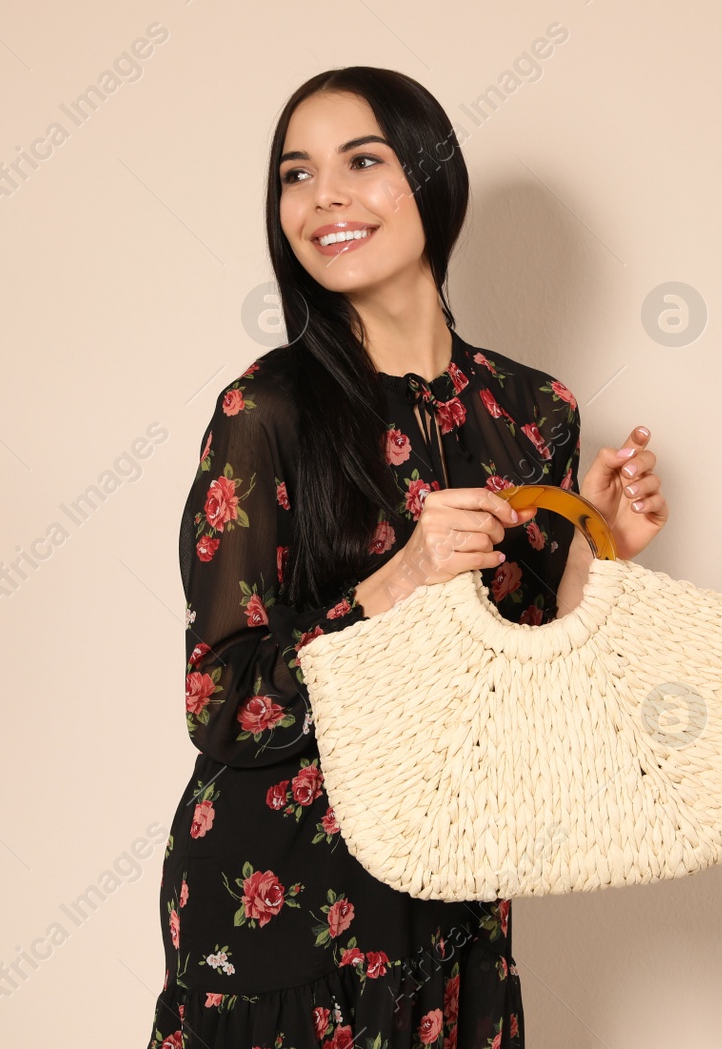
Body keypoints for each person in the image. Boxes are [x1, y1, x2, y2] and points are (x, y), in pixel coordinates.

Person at [145, 66, 668, 1049]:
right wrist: (399, 579)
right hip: (281, 906)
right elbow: (221, 702)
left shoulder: (533, 411)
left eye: (362, 160)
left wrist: (604, 550)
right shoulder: (267, 410)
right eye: (295, 174)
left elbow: (534, 702)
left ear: (432, 180)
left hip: (454, 895)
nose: (324, 196)